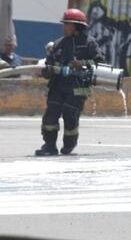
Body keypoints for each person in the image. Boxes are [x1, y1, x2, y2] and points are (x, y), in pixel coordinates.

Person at [36, 9, 103, 156]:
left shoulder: (89, 43)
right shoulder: (59, 44)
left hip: (78, 88)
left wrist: (83, 63)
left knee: (69, 114)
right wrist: (46, 70)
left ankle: (69, 144)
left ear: (76, 26)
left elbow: (100, 63)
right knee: (50, 116)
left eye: (67, 24)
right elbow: (49, 64)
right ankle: (49, 145)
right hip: (57, 86)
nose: (64, 27)